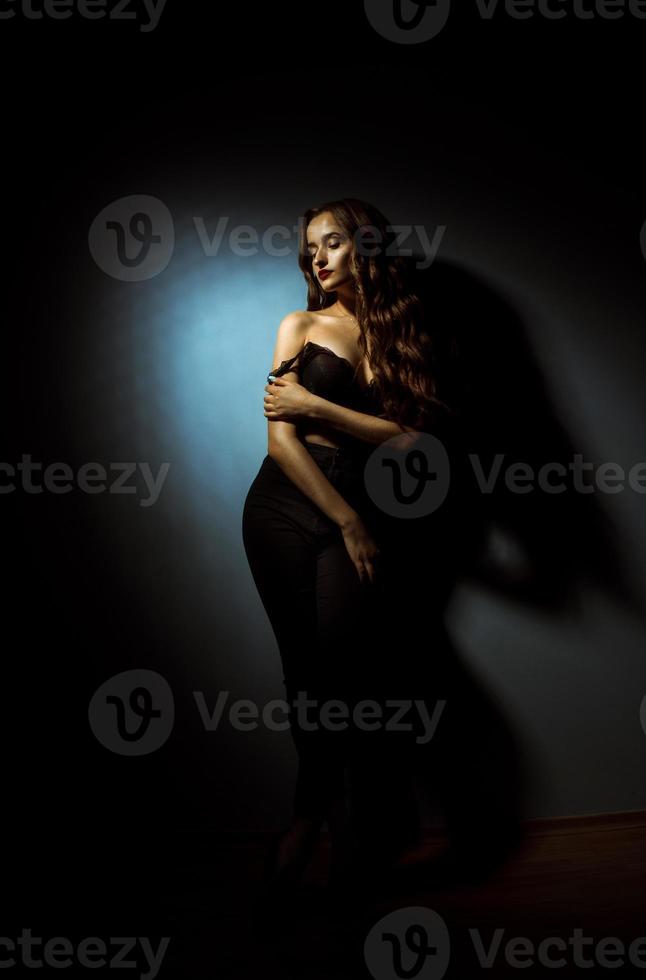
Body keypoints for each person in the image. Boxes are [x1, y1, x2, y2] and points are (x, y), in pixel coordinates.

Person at [241, 197, 466, 909]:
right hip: (283, 504)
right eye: (310, 247)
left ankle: (331, 836)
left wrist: (322, 410)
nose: (318, 257)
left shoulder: (406, 337)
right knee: (305, 674)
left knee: (345, 679)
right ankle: (315, 828)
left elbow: (417, 442)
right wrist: (345, 520)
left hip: (360, 506)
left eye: (332, 243)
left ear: (365, 247)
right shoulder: (298, 325)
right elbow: (280, 437)